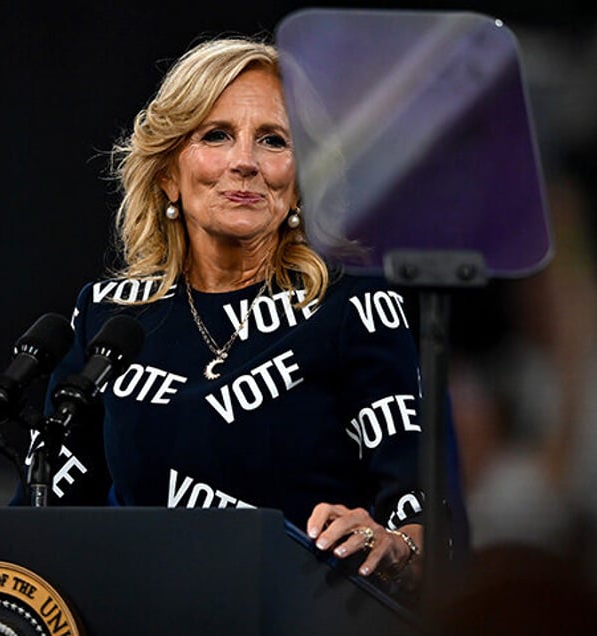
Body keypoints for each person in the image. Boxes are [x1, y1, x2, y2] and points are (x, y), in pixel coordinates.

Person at [25, 35, 434, 586]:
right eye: (217, 135)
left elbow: (424, 520)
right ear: (169, 171)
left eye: (273, 140)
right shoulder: (109, 318)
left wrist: (394, 544)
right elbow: (42, 516)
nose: (245, 162)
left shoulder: (354, 309)